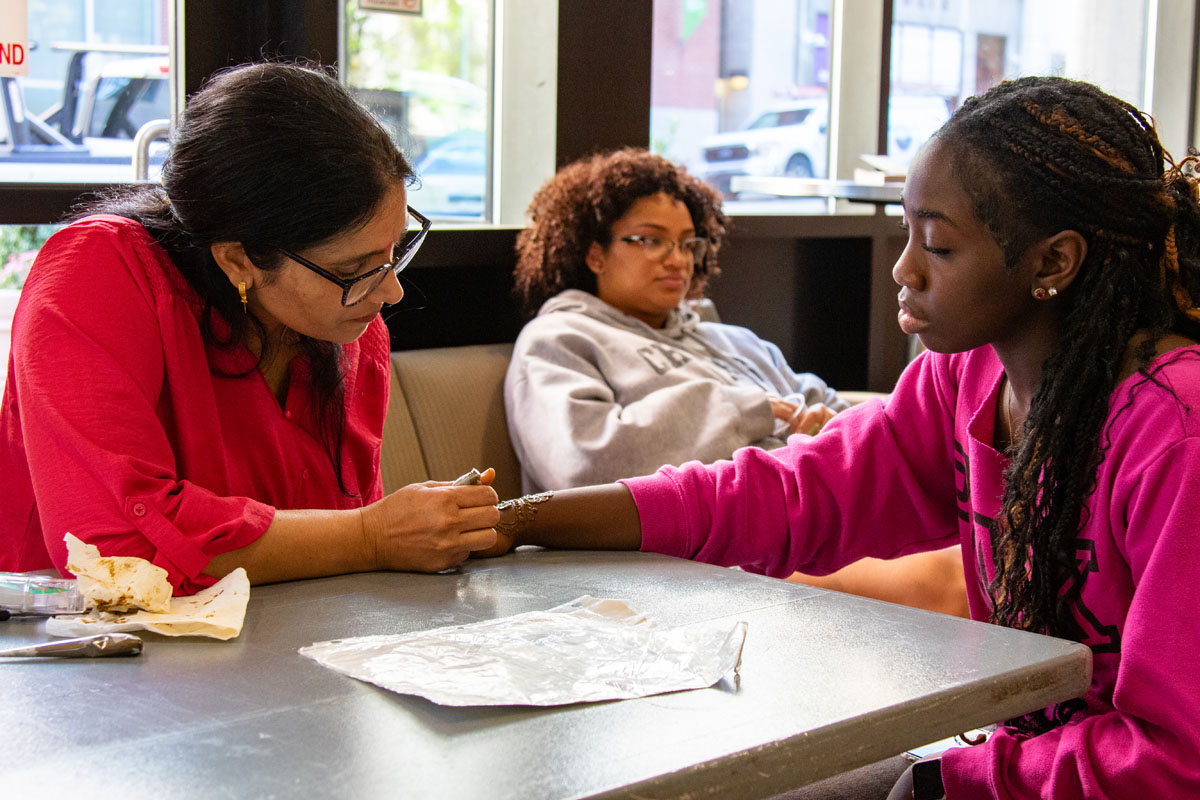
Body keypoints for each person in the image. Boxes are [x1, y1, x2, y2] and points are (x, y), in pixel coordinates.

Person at [482, 77, 1200, 798]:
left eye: (939, 246)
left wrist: (951, 783)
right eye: (906, 233)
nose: (903, 269)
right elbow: (784, 495)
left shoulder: (1177, 430)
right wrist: (522, 519)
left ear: (1053, 262)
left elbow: (1177, 759)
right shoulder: (960, 381)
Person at [0, 62, 499, 594]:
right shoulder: (99, 272)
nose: (389, 292)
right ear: (238, 259)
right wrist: (372, 536)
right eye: (353, 270)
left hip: (266, 647)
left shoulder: (350, 324)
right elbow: (114, 549)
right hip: (71, 645)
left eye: (394, 252)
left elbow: (320, 549)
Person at [506, 148, 968, 618]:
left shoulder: (732, 339)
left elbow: (823, 403)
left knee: (984, 555)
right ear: (595, 254)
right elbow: (579, 466)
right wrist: (744, 410)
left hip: (802, 514)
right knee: (958, 580)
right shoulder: (558, 340)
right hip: (701, 544)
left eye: (689, 243)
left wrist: (827, 424)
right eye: (651, 240)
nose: (677, 259)